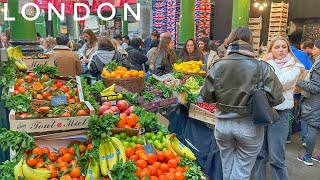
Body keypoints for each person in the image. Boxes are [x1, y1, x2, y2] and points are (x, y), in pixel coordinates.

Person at [201, 27, 284, 180]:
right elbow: (276, 99)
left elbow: (206, 97)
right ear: (251, 42)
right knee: (241, 173)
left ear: (230, 41)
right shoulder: (262, 67)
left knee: (227, 169)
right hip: (250, 126)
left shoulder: (217, 65)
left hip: (223, 124)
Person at [253, 36, 304, 180]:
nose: (281, 50)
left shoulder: (295, 66)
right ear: (270, 50)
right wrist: (263, 63)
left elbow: (281, 82)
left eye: (283, 47)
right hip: (262, 111)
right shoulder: (262, 63)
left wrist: (269, 63)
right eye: (276, 47)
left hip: (280, 114)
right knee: (260, 154)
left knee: (276, 158)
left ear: (288, 49)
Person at [297, 39, 320, 166]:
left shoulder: (319, 64)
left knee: (312, 127)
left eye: (315, 48)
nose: (313, 51)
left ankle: (307, 157)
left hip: (315, 102)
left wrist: (299, 81)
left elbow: (316, 87)